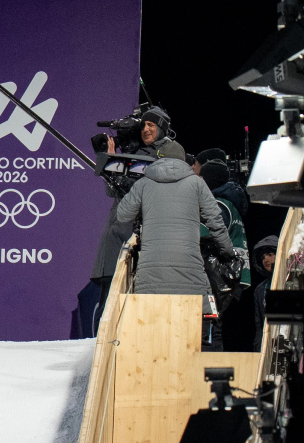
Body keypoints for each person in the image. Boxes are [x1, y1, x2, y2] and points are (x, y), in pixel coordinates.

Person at [113, 142, 233, 347]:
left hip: (150, 277)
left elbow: (122, 214)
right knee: (193, 341)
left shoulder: (144, 183)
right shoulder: (196, 183)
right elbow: (216, 222)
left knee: (154, 343)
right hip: (191, 277)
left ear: (158, 159)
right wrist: (227, 251)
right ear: (183, 161)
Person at [89, 107, 174, 329]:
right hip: (118, 231)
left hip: (146, 239)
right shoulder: (135, 151)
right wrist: (110, 160)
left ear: (162, 128)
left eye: (151, 125)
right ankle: (99, 350)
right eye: (143, 125)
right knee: (109, 299)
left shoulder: (171, 153)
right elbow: (112, 191)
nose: (145, 130)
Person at [197, 159, 250, 349]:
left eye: (201, 178)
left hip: (218, 279)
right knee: (214, 326)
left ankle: (209, 371)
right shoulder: (231, 203)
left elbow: (204, 234)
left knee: (210, 329)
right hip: (232, 278)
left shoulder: (218, 204)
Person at [252, 235, 279, 351]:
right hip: (268, 346)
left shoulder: (292, 281)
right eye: (263, 257)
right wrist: (258, 350)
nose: (265, 260)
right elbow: (259, 325)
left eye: (270, 255)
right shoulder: (260, 290)